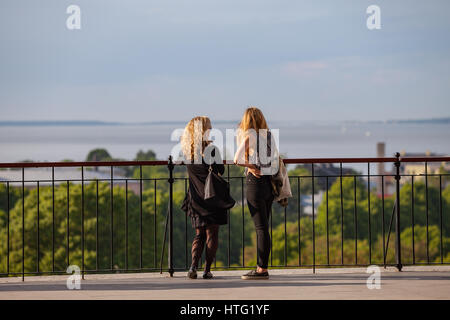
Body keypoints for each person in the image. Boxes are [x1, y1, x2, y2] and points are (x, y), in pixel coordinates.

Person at [234, 107, 278, 280]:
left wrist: (251, 167)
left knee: (260, 229)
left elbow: (237, 159)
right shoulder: (268, 135)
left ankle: (261, 269)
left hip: (255, 184)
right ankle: (263, 266)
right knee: (264, 228)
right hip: (268, 184)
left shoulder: (250, 136)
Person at [181, 116, 227, 279]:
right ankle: (207, 270)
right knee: (212, 235)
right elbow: (220, 170)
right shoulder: (212, 149)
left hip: (195, 198)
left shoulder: (187, 151)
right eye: (209, 127)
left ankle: (193, 267)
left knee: (199, 234)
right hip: (212, 197)